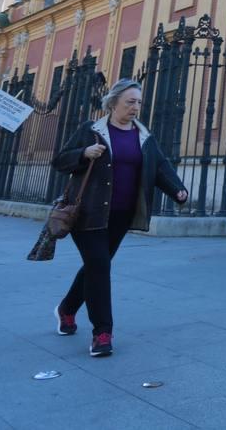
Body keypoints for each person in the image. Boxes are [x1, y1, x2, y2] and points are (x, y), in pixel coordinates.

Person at [52, 80, 187, 356]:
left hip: (122, 215)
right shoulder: (90, 131)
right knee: (99, 265)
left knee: (95, 266)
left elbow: (160, 166)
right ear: (113, 103)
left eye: (138, 102)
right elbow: (60, 160)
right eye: (130, 102)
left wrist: (178, 189)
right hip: (89, 212)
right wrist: (83, 153)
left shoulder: (144, 137)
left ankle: (67, 308)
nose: (135, 107)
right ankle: (102, 333)